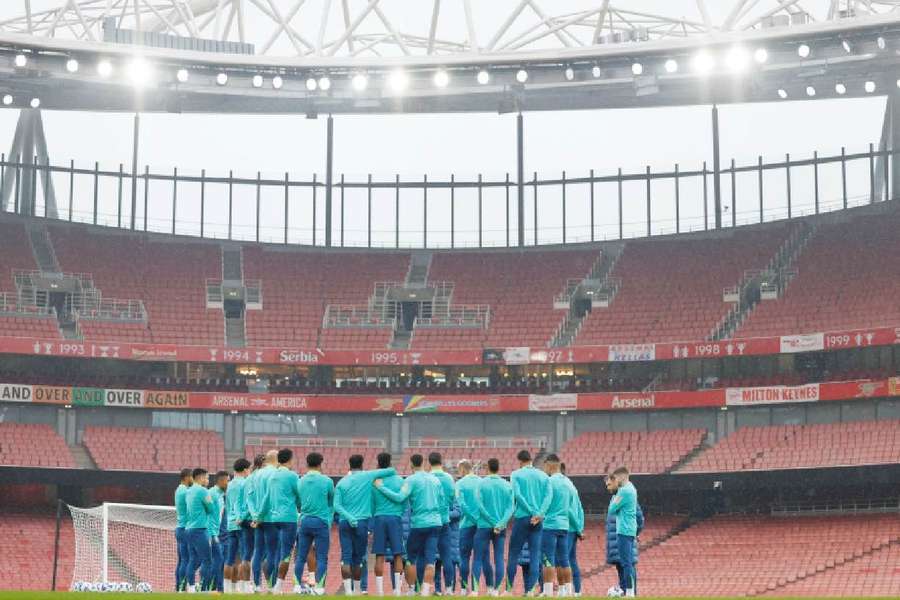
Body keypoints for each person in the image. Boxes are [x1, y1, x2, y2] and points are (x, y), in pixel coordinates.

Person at [375, 453, 443, 597]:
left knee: (410, 558)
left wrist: (381, 488)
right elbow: (442, 502)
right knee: (431, 560)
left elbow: (399, 497)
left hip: (420, 523)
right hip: (436, 522)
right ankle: (425, 592)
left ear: (412, 464)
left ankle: (412, 590)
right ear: (424, 463)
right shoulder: (435, 480)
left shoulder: (411, 480)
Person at [334, 454, 397, 595]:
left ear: (349, 466)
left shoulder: (341, 483)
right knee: (359, 559)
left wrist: (349, 517)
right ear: (362, 465)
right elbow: (392, 470)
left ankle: (349, 593)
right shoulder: (368, 476)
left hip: (345, 522)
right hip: (362, 522)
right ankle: (357, 590)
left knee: (345, 558)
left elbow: (336, 506)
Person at [256, 448, 302, 593]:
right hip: (288, 518)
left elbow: (266, 499)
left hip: (274, 519)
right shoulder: (292, 476)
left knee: (273, 552)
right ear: (289, 460)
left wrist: (258, 517)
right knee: (285, 553)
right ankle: (278, 586)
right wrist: (303, 509)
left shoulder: (272, 476)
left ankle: (272, 585)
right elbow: (299, 496)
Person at [506, 450, 552, 596]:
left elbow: (518, 496)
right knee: (535, 555)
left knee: (513, 554)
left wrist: (532, 512)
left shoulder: (516, 474)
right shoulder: (543, 476)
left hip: (522, 517)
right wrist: (540, 514)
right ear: (531, 460)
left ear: (520, 461)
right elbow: (548, 496)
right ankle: (531, 590)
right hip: (538, 520)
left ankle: (508, 590)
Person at [294, 451, 335, 595]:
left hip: (304, 521)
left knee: (301, 556)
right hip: (321, 521)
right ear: (320, 464)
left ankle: (297, 586)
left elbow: (298, 502)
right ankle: (319, 588)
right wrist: (329, 520)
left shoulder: (300, 481)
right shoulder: (327, 481)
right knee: (322, 556)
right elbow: (331, 502)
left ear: (307, 464)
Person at [472, 458, 513, 596]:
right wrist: (500, 523)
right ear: (498, 468)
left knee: (477, 558)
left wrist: (491, 521)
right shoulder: (507, 485)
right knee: (499, 558)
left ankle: (475, 591)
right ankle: (496, 591)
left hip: (484, 526)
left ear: (487, 468)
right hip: (500, 527)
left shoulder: (481, 484)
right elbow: (510, 507)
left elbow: (479, 505)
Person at [372, 452, 407, 597]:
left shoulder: (374, 482)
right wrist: (397, 512)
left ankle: (380, 592)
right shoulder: (400, 480)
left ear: (378, 463)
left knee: (379, 555)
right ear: (391, 462)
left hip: (379, 518)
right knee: (398, 554)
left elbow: (372, 504)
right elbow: (404, 502)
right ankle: (397, 591)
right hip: (395, 518)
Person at [540, 455, 574, 597]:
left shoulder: (548, 481)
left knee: (548, 559)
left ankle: (547, 592)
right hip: (564, 525)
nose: (544, 468)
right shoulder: (568, 482)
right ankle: (567, 592)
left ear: (549, 465)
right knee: (564, 560)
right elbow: (571, 503)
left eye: (545, 465)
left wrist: (539, 514)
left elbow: (545, 501)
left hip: (550, 524)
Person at [605, 473, 644, 598]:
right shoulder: (615, 498)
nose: (608, 488)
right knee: (621, 568)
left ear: (616, 482)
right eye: (606, 486)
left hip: (624, 536)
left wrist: (635, 532)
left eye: (610, 485)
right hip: (615, 541)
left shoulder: (627, 496)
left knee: (627, 566)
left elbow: (639, 518)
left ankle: (631, 593)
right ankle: (625, 593)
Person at [426, 452, 457, 594]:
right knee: (446, 557)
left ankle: (427, 589)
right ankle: (449, 589)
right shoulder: (449, 478)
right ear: (441, 461)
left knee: (429, 557)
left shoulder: (427, 478)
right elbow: (452, 498)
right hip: (444, 521)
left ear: (429, 462)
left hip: (430, 521)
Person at [247, 450, 279, 592]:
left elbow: (250, 498)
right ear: (277, 459)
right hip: (271, 517)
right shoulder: (275, 474)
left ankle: (257, 585)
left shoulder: (255, 474)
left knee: (258, 551)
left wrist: (255, 516)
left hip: (258, 520)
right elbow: (269, 496)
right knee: (273, 552)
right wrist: (260, 515)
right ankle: (272, 587)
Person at [184, 468, 214, 593]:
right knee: (207, 560)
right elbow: (211, 508)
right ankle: (203, 588)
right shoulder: (203, 491)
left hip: (189, 529)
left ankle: (190, 587)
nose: (208, 480)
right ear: (201, 478)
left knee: (193, 559)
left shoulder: (189, 491)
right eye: (207, 478)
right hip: (199, 529)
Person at [225, 458, 252, 593]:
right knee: (244, 556)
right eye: (249, 468)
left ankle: (228, 588)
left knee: (230, 558)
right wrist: (241, 518)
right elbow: (241, 504)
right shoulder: (244, 483)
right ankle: (244, 586)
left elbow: (229, 504)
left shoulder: (229, 484)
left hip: (230, 524)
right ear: (245, 469)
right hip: (240, 523)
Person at [454, 460, 480, 595]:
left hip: (466, 525)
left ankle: (464, 590)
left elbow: (462, 505)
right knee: (478, 558)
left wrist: (472, 518)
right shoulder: (482, 482)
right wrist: (478, 520)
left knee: (464, 558)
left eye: (459, 470)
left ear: (463, 469)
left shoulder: (459, 484)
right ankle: (475, 591)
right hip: (482, 525)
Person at [562, 463, 584, 598]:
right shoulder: (572, 486)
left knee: (563, 559)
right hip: (573, 528)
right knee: (571, 559)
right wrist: (580, 528)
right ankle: (577, 590)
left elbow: (569, 510)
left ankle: (566, 589)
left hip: (567, 527)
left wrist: (577, 528)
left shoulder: (564, 486)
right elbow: (580, 509)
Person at [208, 470, 229, 593]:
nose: (229, 483)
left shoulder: (221, 494)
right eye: (227, 480)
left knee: (221, 561)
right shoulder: (212, 493)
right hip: (213, 533)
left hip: (220, 533)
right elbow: (206, 514)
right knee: (215, 560)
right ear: (221, 481)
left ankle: (218, 588)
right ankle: (209, 586)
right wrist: (212, 533)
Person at [174, 468, 193, 592]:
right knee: (186, 559)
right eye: (192, 477)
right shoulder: (185, 491)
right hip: (185, 528)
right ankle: (182, 587)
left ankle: (179, 587)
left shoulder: (179, 489)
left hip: (180, 528)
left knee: (182, 560)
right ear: (187, 477)